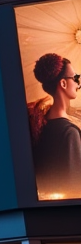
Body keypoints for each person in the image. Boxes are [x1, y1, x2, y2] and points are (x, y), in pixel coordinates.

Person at [28, 54, 81, 198]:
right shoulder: (69, 133)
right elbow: (76, 190)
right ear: (63, 84)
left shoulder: (37, 125)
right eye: (76, 78)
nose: (78, 84)